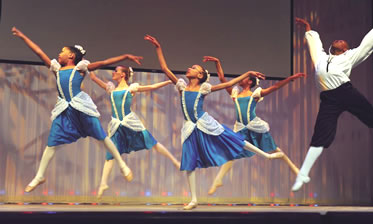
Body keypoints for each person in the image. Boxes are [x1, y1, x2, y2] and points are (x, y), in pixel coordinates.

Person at [144, 34, 284, 210]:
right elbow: (164, 68)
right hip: (189, 127)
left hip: (205, 122)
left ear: (200, 74)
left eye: (193, 67)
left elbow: (231, 82)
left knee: (235, 139)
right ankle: (194, 199)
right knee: (189, 161)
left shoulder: (204, 88)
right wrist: (158, 47)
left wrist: (248, 73)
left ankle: (267, 155)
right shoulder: (182, 86)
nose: (189, 68)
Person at [291, 11, 373, 192]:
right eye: (337, 40)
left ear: (346, 49)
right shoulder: (321, 57)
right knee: (321, 134)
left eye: (342, 41)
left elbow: (367, 44)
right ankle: (303, 174)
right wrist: (308, 27)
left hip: (345, 92)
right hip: (328, 99)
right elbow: (314, 43)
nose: (339, 39)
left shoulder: (350, 56)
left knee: (372, 116)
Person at [12, 27, 142, 193]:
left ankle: (122, 165)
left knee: (101, 136)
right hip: (65, 109)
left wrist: (125, 57)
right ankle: (39, 176)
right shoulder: (57, 69)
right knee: (51, 143)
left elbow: (102, 63)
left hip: (81, 107)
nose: (59, 53)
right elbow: (38, 51)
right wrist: (23, 36)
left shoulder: (80, 68)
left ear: (71, 56)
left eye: (62, 51)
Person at [203, 56, 305, 195]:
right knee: (232, 152)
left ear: (249, 81)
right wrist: (217, 63)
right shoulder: (235, 93)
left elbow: (275, 87)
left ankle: (296, 170)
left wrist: (290, 78)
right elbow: (222, 80)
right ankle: (218, 180)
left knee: (274, 149)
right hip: (241, 127)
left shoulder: (255, 94)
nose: (240, 78)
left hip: (254, 126)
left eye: (244, 78)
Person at [89, 66, 180, 198]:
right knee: (111, 154)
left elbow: (152, 87)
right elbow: (93, 77)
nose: (113, 72)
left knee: (151, 142)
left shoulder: (131, 88)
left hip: (129, 121)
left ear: (123, 75)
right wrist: (90, 66)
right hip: (116, 124)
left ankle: (174, 161)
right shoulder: (111, 89)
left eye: (116, 71)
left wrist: (168, 82)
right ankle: (103, 183)